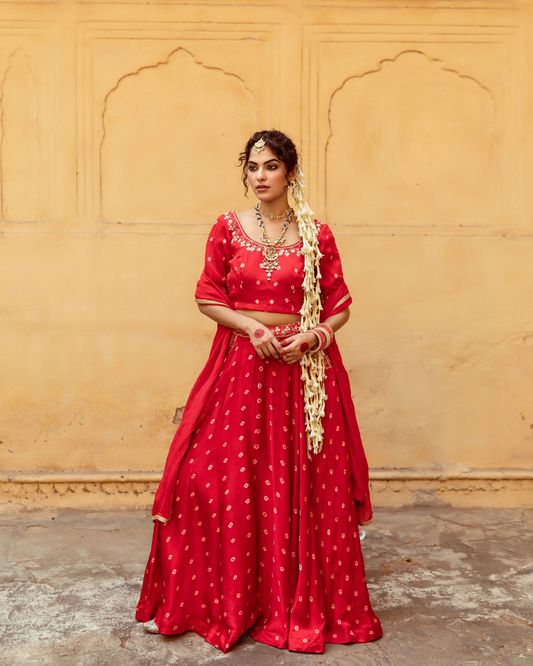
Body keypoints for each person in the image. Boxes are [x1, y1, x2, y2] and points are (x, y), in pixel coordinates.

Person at [135, 130, 382, 653]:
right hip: (243, 365)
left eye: (271, 166)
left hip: (302, 373)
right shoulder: (227, 228)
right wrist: (251, 328)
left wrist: (314, 337)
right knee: (209, 478)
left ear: (290, 171)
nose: (260, 176)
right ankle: (229, 600)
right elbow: (208, 295)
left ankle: (288, 600)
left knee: (302, 486)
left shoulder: (317, 234)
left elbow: (339, 302)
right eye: (252, 167)